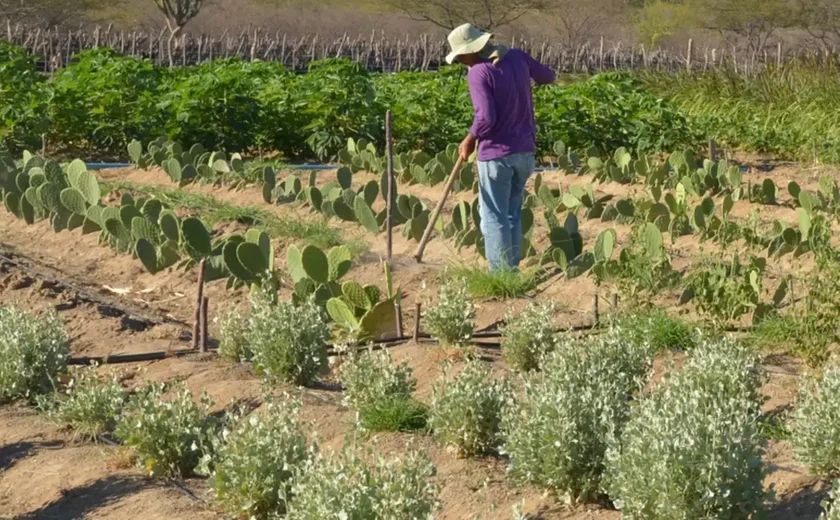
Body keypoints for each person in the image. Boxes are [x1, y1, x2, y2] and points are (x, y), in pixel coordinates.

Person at [445, 23, 556, 272]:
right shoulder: (517, 56)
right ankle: (511, 271)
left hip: (496, 155)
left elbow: (485, 118)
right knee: (512, 213)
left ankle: (500, 275)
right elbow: (548, 76)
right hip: (525, 153)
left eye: (462, 56)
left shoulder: (478, 72)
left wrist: (469, 138)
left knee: (494, 217)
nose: (462, 61)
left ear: (473, 50)